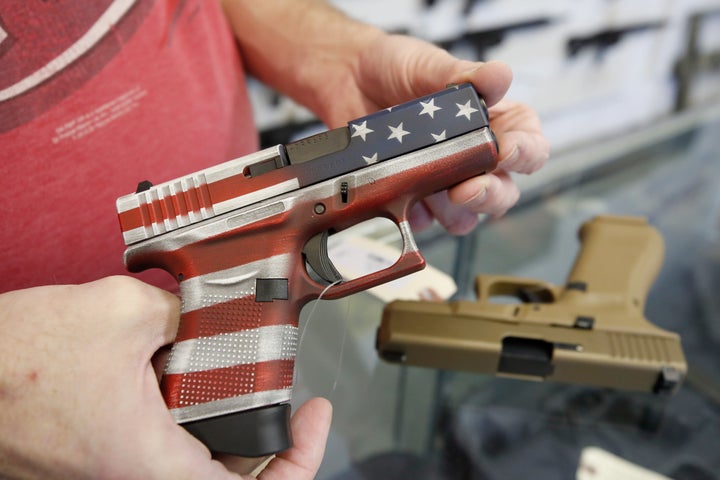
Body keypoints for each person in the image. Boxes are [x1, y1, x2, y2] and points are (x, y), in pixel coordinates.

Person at [0, 0, 549, 478]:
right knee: (219, 436)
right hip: (59, 399)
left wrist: (340, 59)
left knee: (228, 442)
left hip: (236, 239)